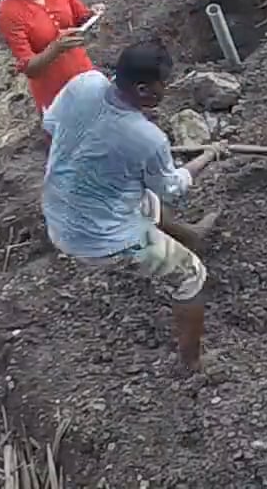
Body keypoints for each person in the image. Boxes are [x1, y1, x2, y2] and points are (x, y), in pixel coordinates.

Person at [42, 42, 229, 375]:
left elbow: (52, 126)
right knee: (191, 276)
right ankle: (192, 361)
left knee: (143, 199)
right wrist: (208, 156)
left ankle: (191, 234)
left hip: (58, 205)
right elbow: (172, 188)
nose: (166, 90)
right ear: (142, 88)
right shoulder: (147, 138)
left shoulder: (85, 83)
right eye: (163, 85)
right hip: (97, 239)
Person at [0, 0, 104, 126]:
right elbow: (29, 67)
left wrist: (91, 15)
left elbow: (78, 13)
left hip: (83, 74)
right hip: (56, 96)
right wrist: (55, 49)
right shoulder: (9, 12)